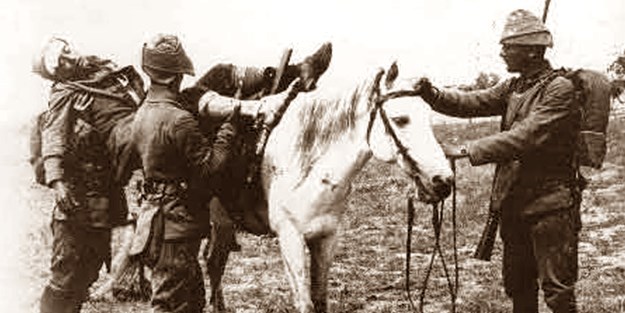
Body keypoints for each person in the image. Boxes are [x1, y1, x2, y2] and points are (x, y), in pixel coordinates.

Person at [415, 9, 582, 313]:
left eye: (509, 46)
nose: (502, 52)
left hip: (551, 205)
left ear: (532, 51)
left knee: (557, 292)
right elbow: (470, 102)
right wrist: (432, 93)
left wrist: (466, 149)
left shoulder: (560, 89)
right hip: (515, 204)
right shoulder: (513, 86)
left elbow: (527, 136)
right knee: (519, 286)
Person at [32, 37, 130, 313]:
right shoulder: (65, 93)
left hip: (103, 200)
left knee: (88, 270)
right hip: (75, 200)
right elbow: (52, 137)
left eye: (66, 51)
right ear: (58, 74)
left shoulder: (103, 73)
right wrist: (57, 181)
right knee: (65, 272)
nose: (69, 58)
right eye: (60, 63)